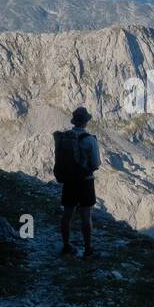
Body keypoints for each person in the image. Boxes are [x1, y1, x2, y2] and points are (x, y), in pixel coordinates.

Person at [59, 106, 101, 258]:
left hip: (69, 181)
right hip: (85, 182)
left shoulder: (64, 138)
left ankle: (66, 245)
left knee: (67, 214)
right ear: (85, 122)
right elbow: (96, 163)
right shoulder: (90, 140)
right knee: (86, 216)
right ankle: (88, 249)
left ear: (74, 121)